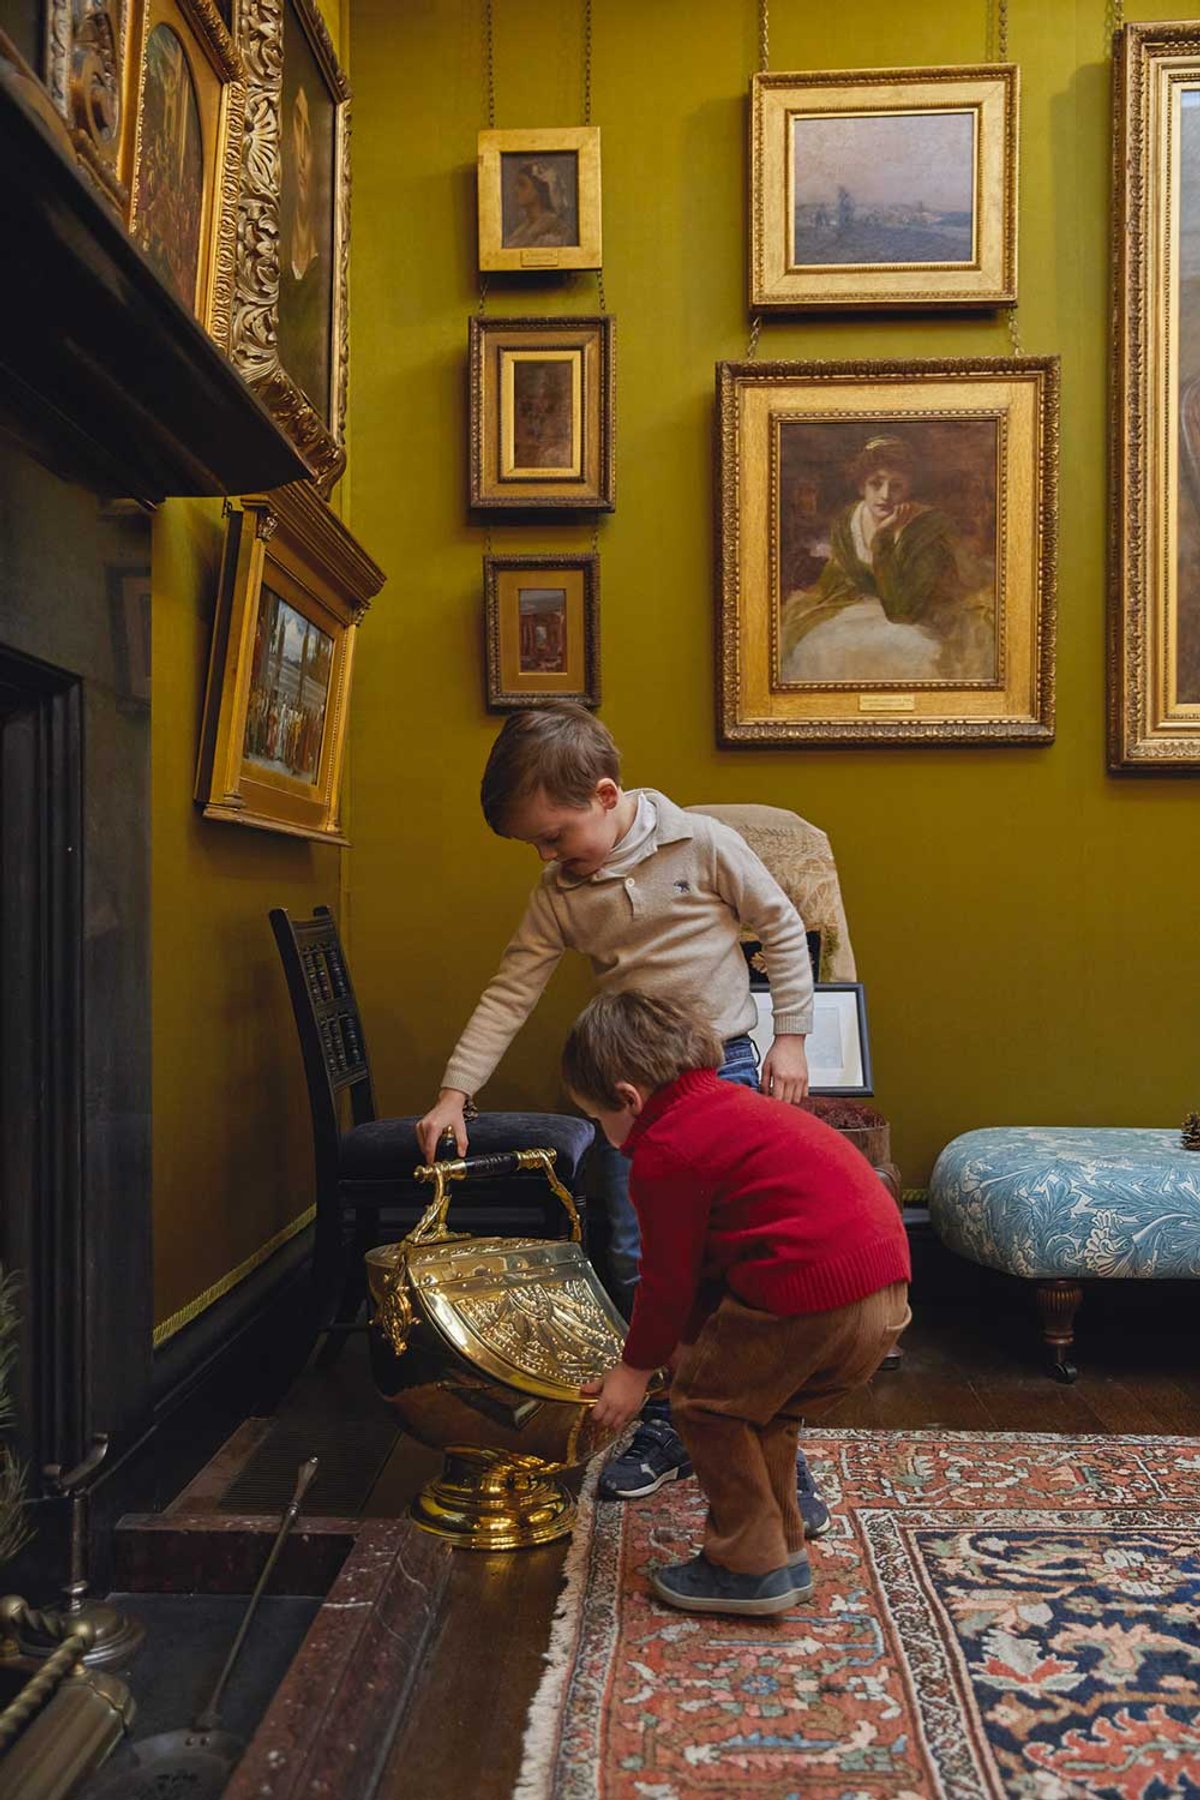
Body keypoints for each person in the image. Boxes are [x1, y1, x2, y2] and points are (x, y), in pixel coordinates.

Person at [416, 703, 831, 1532]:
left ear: (607, 795)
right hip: (628, 1097)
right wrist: (456, 1091)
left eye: (556, 836)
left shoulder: (703, 844)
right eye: (534, 845)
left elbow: (782, 928)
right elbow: (512, 990)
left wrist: (792, 1039)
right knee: (639, 1252)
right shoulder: (560, 894)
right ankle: (670, 1417)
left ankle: (767, 1435)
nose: (546, 857)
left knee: (732, 1260)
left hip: (727, 1072)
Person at [563, 989, 911, 1618]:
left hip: (811, 1289)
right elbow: (704, 1276)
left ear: (629, 1100)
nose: (608, 1137)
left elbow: (665, 1280)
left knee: (707, 1406)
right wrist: (680, 1351)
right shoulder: (734, 1109)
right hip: (884, 1289)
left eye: (599, 1120)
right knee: (759, 1408)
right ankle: (782, 1551)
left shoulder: (664, 1149)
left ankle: (745, 1569)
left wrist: (635, 1372)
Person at [779, 434, 995, 684]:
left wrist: (883, 539)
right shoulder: (846, 521)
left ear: (909, 488)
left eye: (896, 486)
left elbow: (901, 610)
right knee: (816, 647)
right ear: (861, 486)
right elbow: (839, 587)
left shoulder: (928, 529)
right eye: (876, 483)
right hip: (859, 611)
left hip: (918, 614)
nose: (885, 495)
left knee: (915, 653)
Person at [504, 161, 573, 249]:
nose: (515, 190)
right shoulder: (522, 228)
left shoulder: (555, 229)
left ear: (538, 190)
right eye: (516, 185)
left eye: (522, 184)